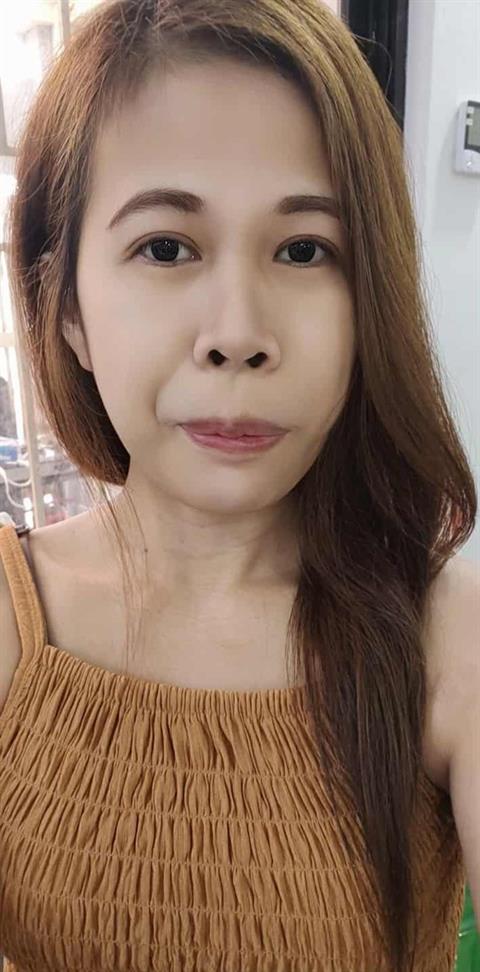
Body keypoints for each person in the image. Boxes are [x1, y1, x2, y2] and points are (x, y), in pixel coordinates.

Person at [0, 2, 478, 971]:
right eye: (165, 247)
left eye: (305, 250)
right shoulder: (15, 615)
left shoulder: (445, 636)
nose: (238, 334)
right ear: (68, 308)